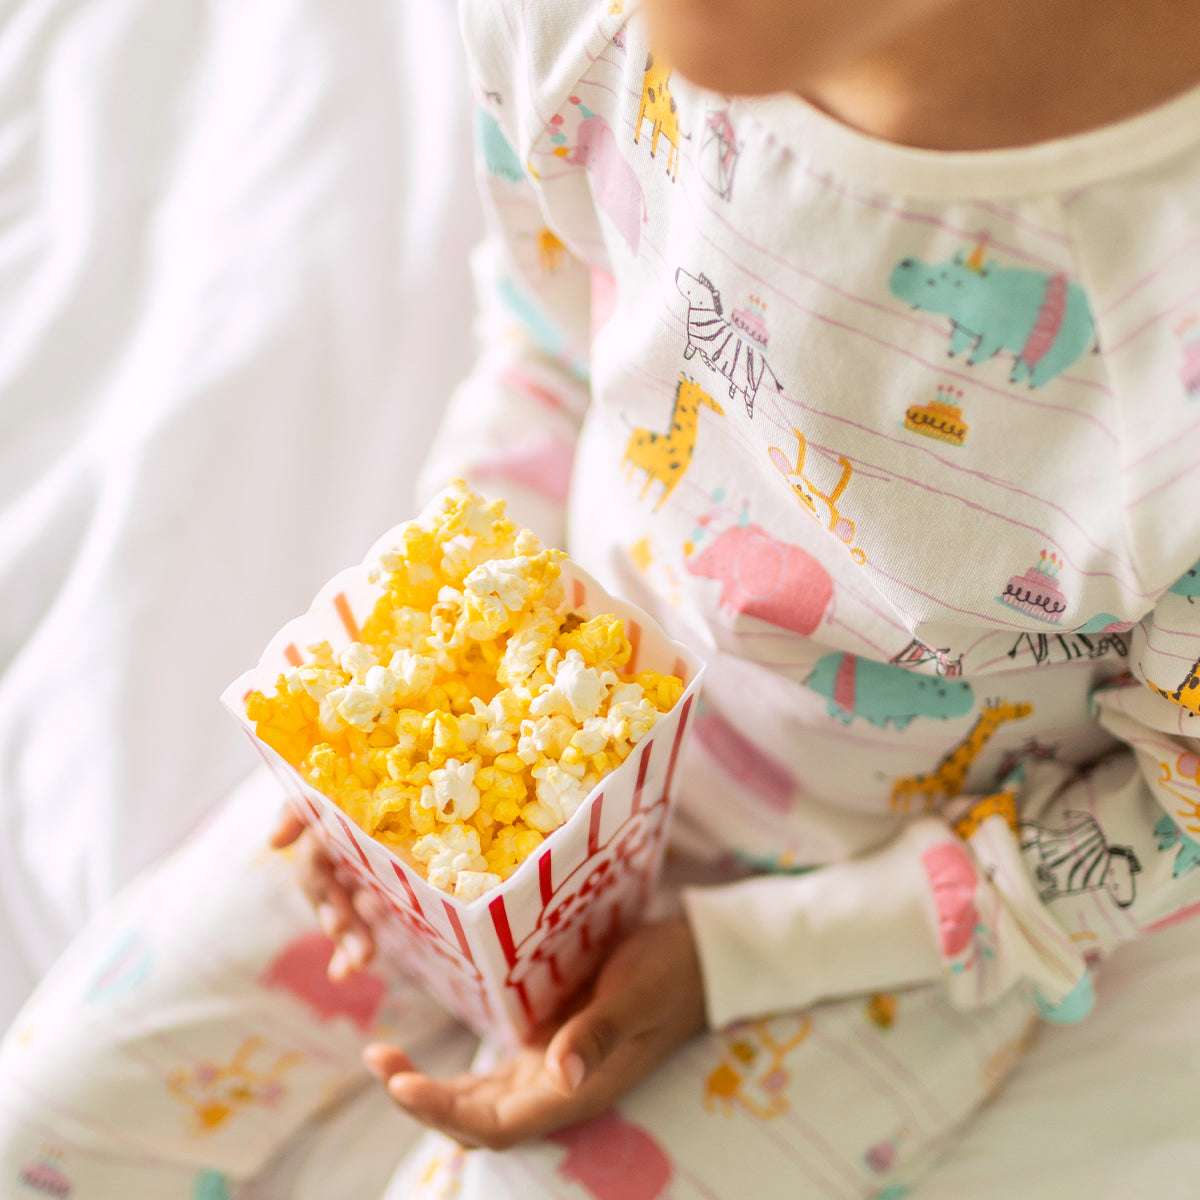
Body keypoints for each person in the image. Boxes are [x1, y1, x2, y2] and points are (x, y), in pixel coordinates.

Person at [3, 1, 1200, 1197]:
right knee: (37, 1131)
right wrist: (405, 731)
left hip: (894, 916)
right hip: (509, 747)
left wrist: (744, 960)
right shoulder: (588, 27)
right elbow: (551, 341)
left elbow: (1173, 814)